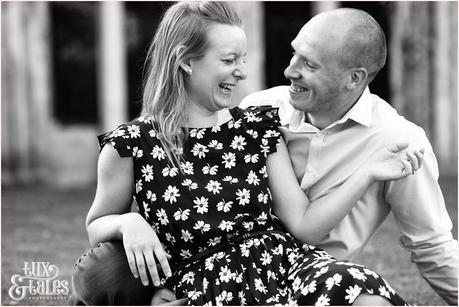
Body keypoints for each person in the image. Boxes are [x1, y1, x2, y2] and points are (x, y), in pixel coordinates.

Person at [70, 2, 424, 305]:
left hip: (286, 267)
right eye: (229, 60)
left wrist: (367, 173)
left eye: (242, 58)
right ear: (186, 61)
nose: (241, 72)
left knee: (366, 296)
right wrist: (128, 221)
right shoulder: (131, 145)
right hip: (205, 286)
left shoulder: (256, 128)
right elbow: (96, 226)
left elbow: (305, 225)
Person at [239, 7, 458, 306]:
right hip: (243, 272)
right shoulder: (259, 111)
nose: (290, 70)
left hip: (327, 288)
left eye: (309, 64)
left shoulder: (398, 141)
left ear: (354, 78)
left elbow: (432, 246)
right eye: (294, 54)